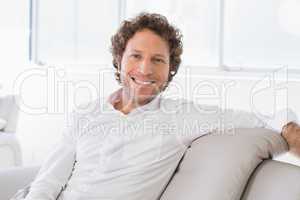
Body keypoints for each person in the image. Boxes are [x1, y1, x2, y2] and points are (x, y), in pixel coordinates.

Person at [22, 12, 300, 200]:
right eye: (136, 56)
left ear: (170, 70)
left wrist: (288, 128)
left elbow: (266, 118)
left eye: (158, 60)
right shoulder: (85, 113)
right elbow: (48, 181)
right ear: (119, 60)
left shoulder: (181, 117)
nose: (145, 69)